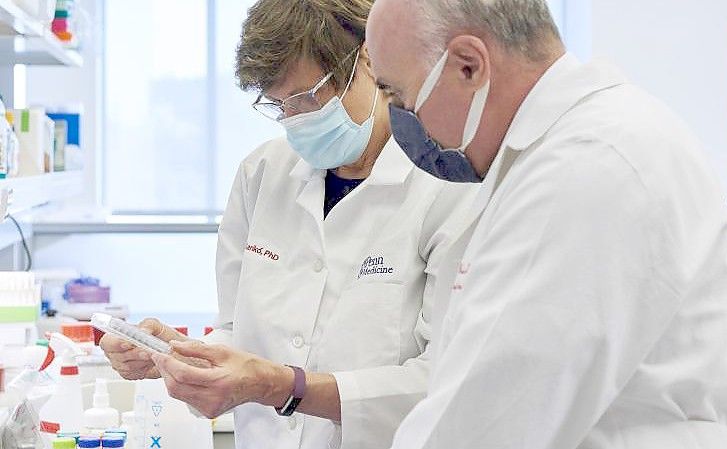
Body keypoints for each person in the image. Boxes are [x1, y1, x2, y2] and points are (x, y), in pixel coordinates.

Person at [365, 0, 727, 448]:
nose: (399, 119)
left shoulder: (588, 164)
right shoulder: (561, 152)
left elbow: (486, 423)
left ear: (469, 66)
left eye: (397, 95)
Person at [99, 1, 475, 448]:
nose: (298, 120)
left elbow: (446, 377)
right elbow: (239, 331)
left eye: (309, 97)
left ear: (369, 60)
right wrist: (179, 355)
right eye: (279, 106)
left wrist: (283, 387)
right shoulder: (262, 175)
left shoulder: (447, 186)